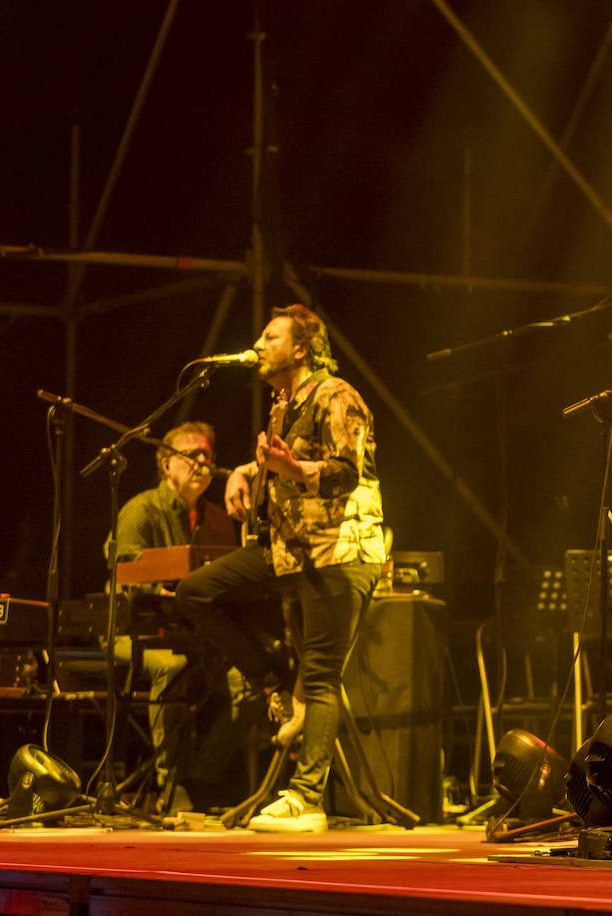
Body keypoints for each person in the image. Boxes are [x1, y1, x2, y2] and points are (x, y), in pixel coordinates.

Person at [174, 303, 386, 833]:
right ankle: (273, 685)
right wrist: (246, 472)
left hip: (339, 552)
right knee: (197, 592)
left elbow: (343, 472)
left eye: (271, 337)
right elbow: (276, 461)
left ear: (301, 347)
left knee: (319, 676)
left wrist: (290, 468)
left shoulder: (338, 396)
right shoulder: (281, 405)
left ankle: (307, 798)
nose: (260, 344)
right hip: (290, 552)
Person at [109, 421, 236, 812]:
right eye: (191, 454)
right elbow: (123, 568)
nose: (203, 461)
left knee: (249, 680)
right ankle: (170, 784)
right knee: (173, 666)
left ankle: (201, 779)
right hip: (135, 634)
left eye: (208, 455)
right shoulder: (141, 509)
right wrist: (163, 592)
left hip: (197, 634)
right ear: (166, 465)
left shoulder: (218, 519)